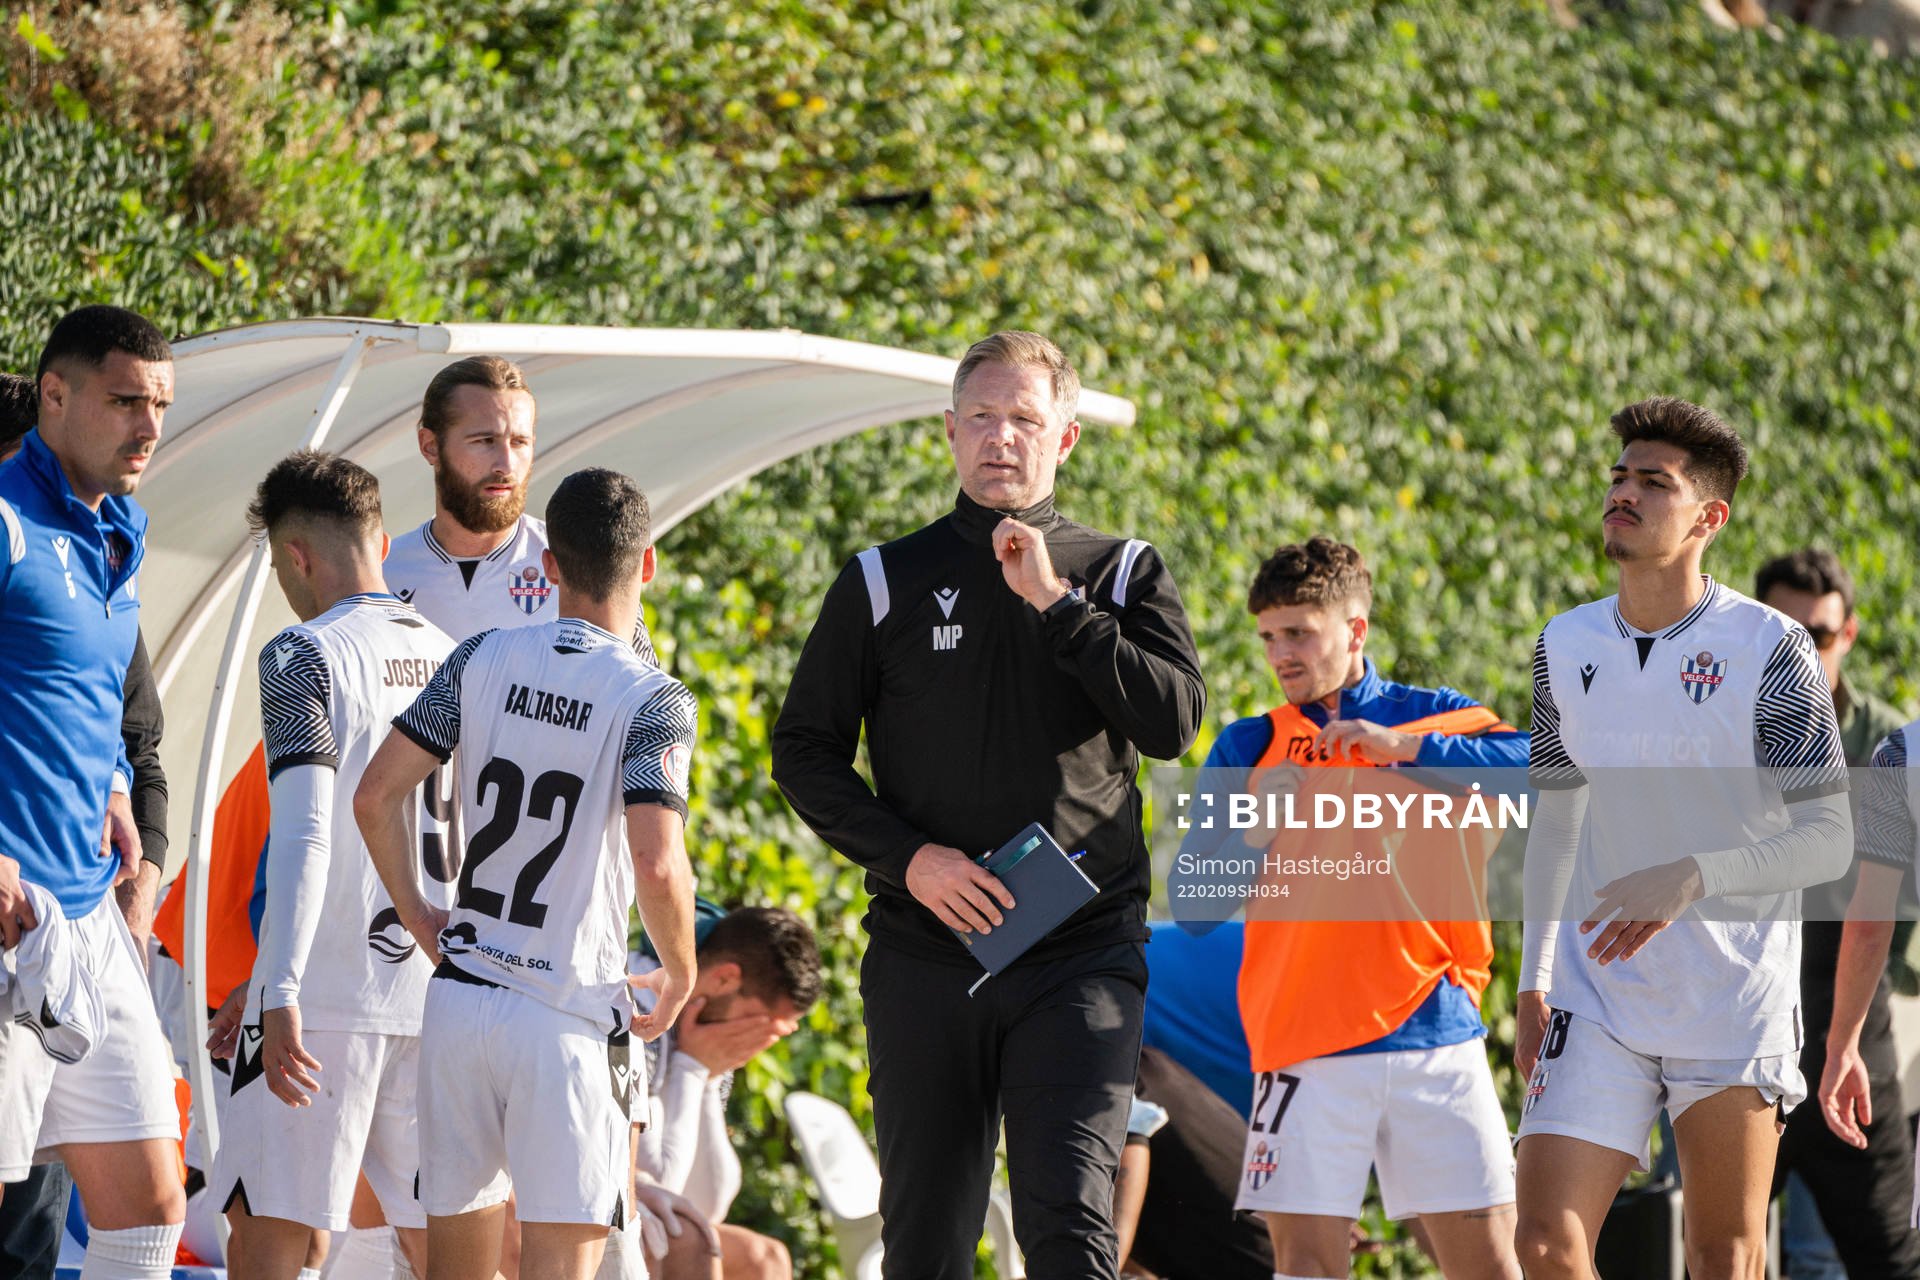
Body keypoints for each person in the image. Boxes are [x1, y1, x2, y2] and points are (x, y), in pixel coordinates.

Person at [771, 330, 1205, 1279]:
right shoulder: (882, 581)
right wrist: (911, 861)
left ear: (1068, 438)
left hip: (1081, 952)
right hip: (929, 950)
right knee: (925, 1239)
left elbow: (1175, 722)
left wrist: (1059, 605)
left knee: (1070, 1226)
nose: (1000, 437)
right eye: (980, 417)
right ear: (950, 430)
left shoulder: (1123, 572)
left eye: (1024, 418)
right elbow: (802, 753)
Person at [1515, 397, 1851, 1280]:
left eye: (1652, 483)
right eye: (1619, 477)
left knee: (1723, 1256)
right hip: (1596, 994)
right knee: (1545, 1244)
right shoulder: (1564, 642)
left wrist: (1696, 875)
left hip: (1731, 999)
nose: (1622, 494)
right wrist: (1534, 974)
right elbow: (1558, 818)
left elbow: (1831, 836)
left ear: (1709, 517)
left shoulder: (1772, 647)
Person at [355, 467, 700, 1280]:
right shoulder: (653, 697)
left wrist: (416, 913)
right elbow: (656, 859)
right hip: (565, 1011)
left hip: (462, 996)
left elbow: (375, 797)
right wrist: (681, 970)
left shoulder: (480, 656)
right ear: (646, 565)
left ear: (549, 567)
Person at [1177, 537, 1526, 1280]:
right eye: (1269, 636)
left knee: (1494, 1267)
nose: (1281, 653)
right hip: (1303, 1048)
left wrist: (1400, 749)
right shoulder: (1248, 746)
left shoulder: (1439, 722)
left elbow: (1549, 771)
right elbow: (1197, 905)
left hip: (1437, 1035)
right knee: (1306, 1270)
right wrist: (1252, 832)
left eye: (1299, 631)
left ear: (1356, 629)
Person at [201, 451, 454, 1279]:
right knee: (438, 1245)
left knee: (270, 1234)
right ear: (381, 540)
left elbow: (309, 834)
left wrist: (280, 990)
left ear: (295, 556)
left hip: (328, 999)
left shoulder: (302, 653)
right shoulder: (461, 653)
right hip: (438, 990)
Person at [0, 306, 186, 1277]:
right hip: (7, 921)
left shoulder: (119, 535)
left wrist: (115, 781)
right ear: (56, 394)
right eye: (125, 401)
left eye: (158, 404)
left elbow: (83, 702)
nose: (148, 426)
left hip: (87, 925)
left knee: (151, 1209)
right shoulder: (4, 515)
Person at [1754, 549, 1920, 1279]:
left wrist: (1857, 1023)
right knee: (1716, 1254)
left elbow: (1883, 910)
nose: (1802, 652)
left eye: (1816, 637)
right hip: (1732, 1027)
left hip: (1855, 1019)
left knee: (1876, 1254)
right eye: (1784, 633)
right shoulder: (1708, 733)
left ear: (1846, 634)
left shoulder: (1892, 746)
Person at [615, 906, 821, 1280]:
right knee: (675, 1242)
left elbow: (709, 1204)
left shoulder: (702, 1028)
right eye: (757, 1021)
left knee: (765, 1258)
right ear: (726, 979)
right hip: (560, 1196)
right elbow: (654, 1182)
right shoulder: (636, 1009)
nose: (756, 1039)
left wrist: (706, 1076)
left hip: (636, 1207)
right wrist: (692, 1068)